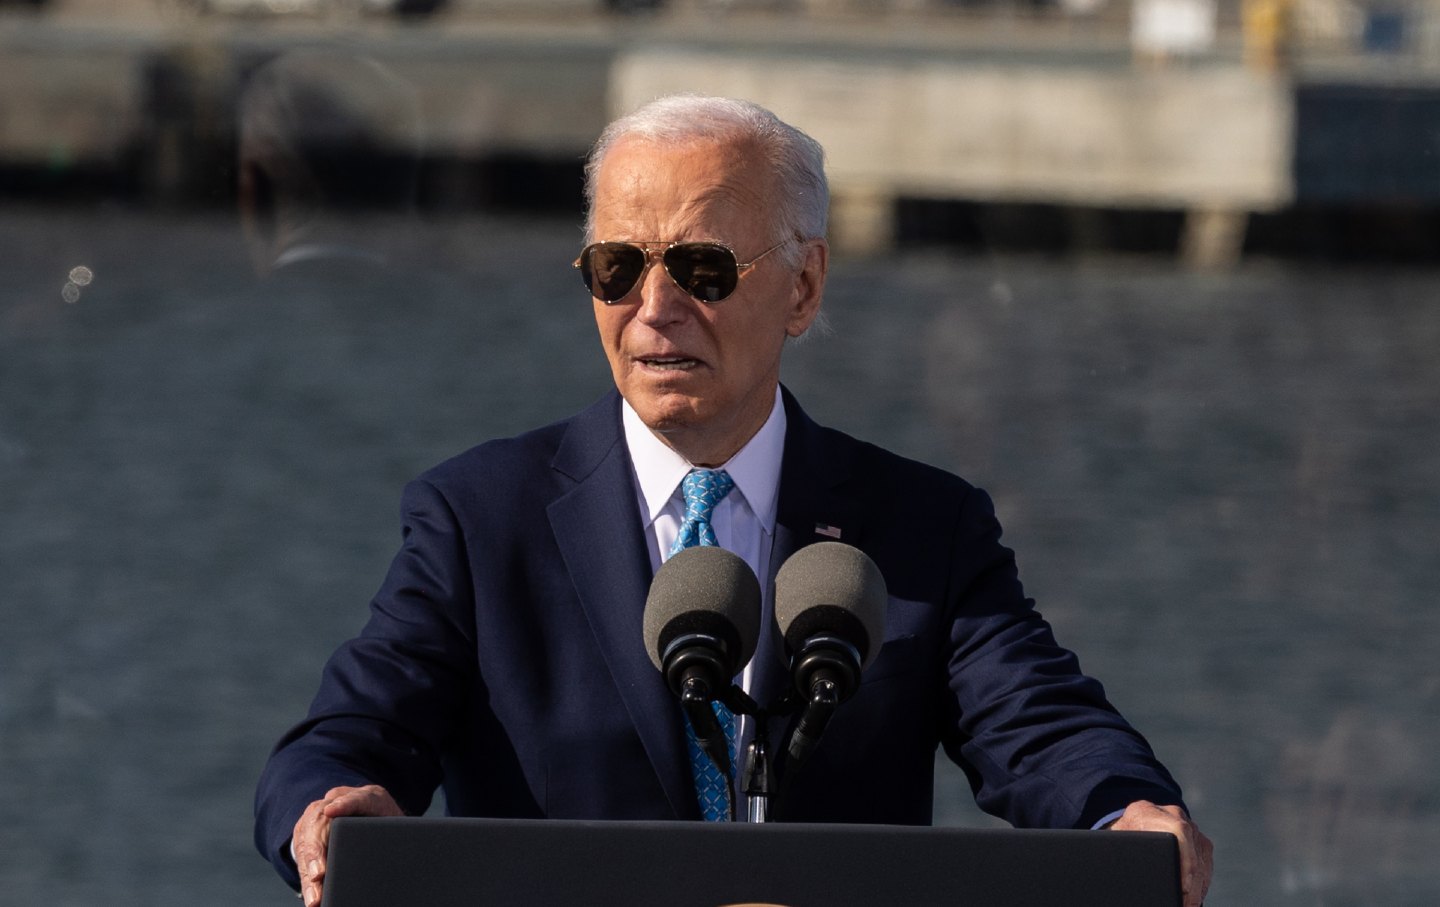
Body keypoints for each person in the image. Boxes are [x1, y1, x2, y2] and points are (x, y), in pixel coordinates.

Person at [254, 94, 1214, 907]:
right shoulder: (478, 518)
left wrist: (1123, 810)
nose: (655, 309)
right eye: (618, 268)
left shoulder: (922, 526)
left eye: (703, 269)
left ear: (803, 286)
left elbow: (1041, 727)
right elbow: (349, 734)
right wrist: (327, 809)